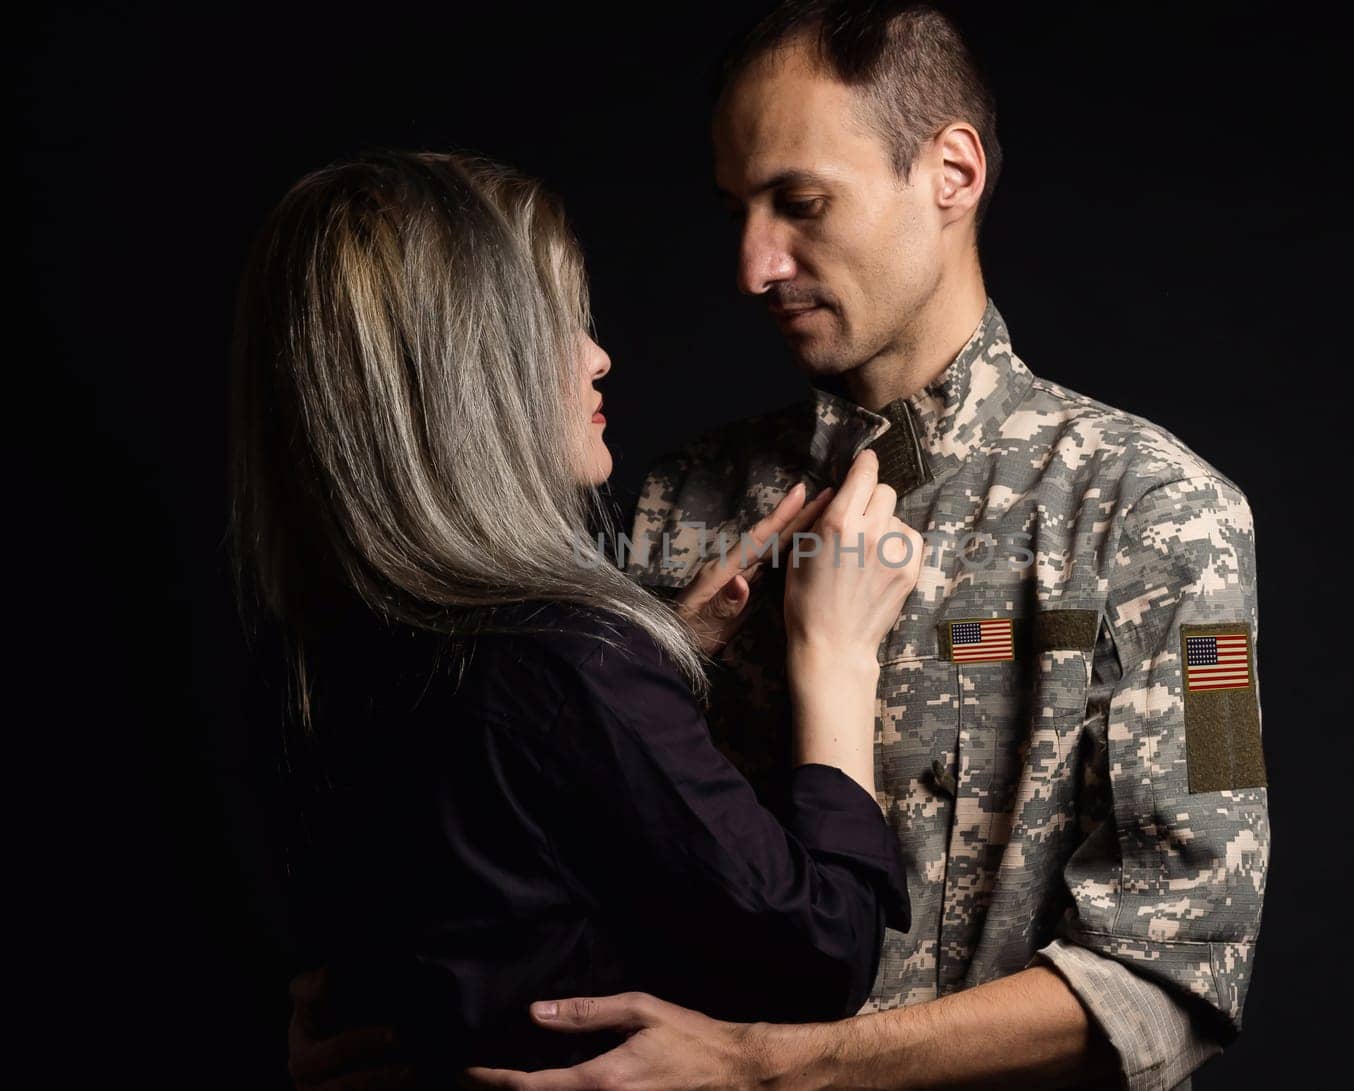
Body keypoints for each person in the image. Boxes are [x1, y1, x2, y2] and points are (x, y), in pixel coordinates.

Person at [291, 3, 1270, 1089]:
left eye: (800, 204)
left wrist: (777, 1064)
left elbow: (1175, 971)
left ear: (951, 172)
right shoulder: (668, 504)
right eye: (737, 211)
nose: (755, 265)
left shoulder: (1161, 512)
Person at [230, 149, 928, 1081]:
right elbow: (820, 952)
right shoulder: (568, 647)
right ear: (472, 373)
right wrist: (833, 654)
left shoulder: (328, 640)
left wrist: (664, 646)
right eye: (557, 326)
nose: (599, 356)